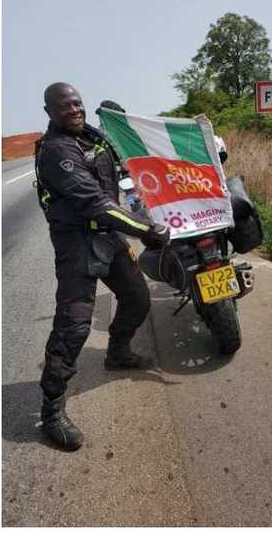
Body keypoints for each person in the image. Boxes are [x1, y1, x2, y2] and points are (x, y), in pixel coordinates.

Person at [33, 83, 170, 451]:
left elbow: (123, 164)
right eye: (65, 106)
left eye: (77, 103)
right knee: (74, 326)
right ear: (49, 113)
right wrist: (145, 230)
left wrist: (121, 123)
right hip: (76, 244)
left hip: (108, 235)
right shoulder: (57, 151)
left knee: (137, 298)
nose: (74, 110)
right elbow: (94, 202)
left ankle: (118, 353)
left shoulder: (90, 136)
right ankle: (51, 411)